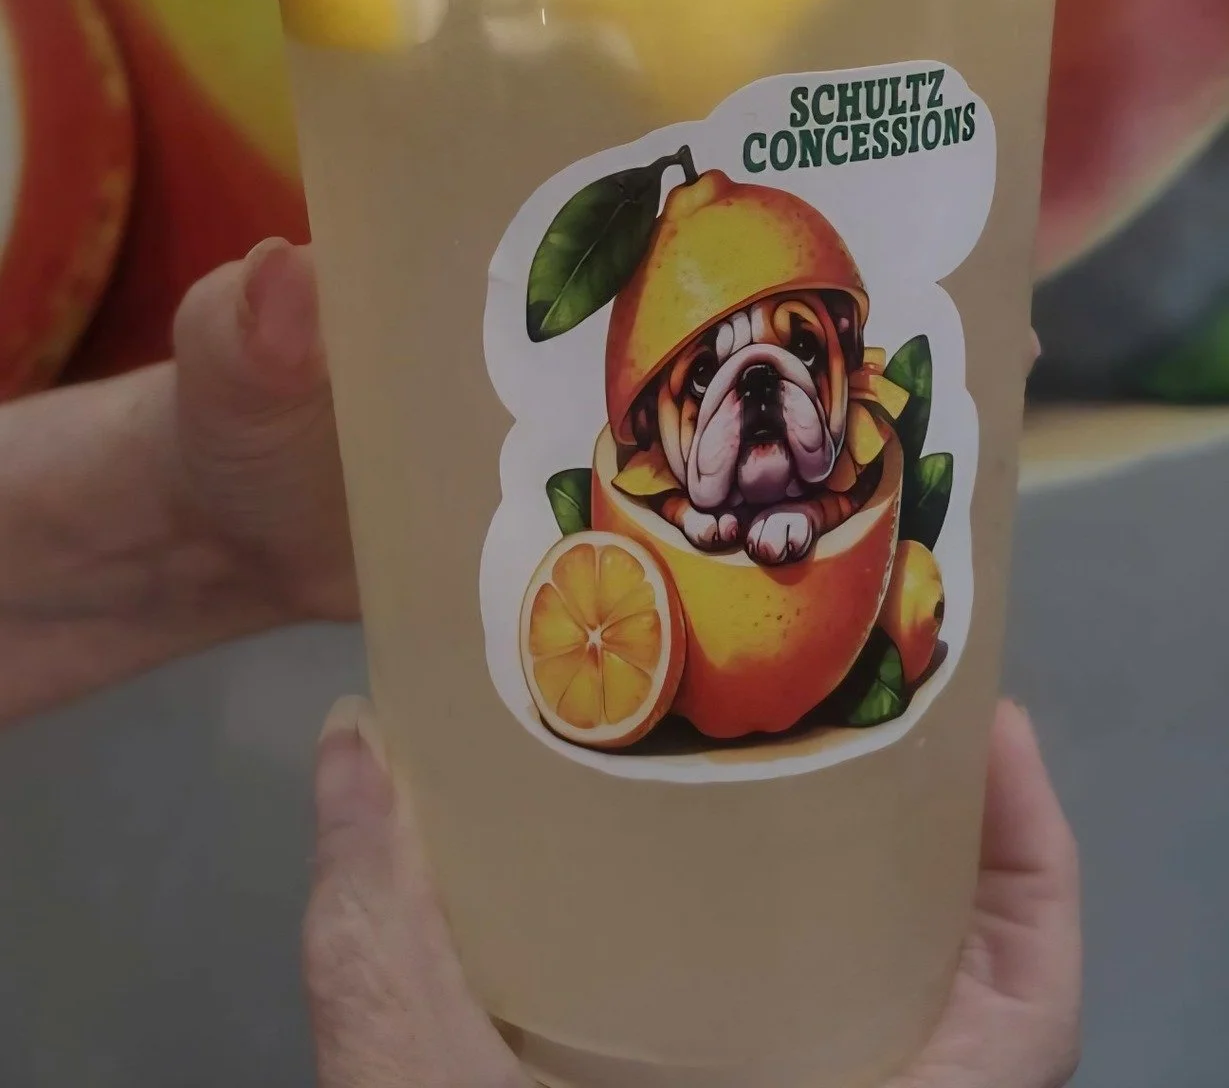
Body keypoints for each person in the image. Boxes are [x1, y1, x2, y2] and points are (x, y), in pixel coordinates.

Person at [0, 240, 1080, 1088]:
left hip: (854, 938)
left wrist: (194, 521)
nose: (756, 388)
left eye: (795, 355)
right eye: (704, 376)